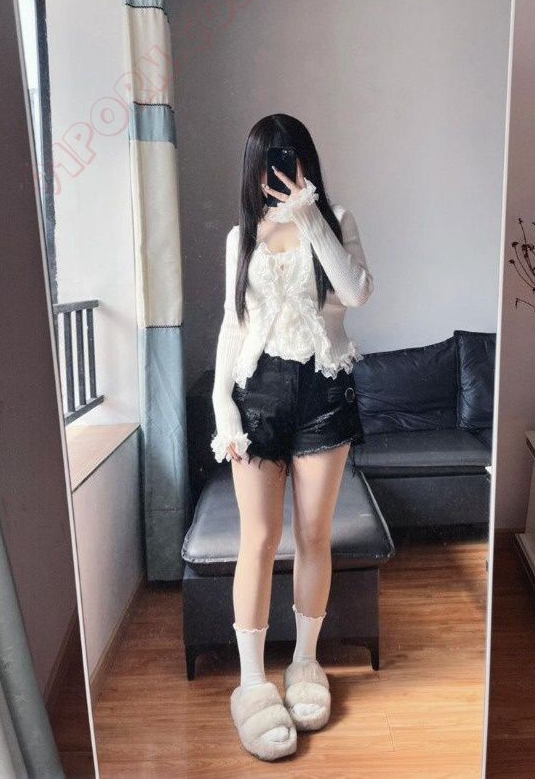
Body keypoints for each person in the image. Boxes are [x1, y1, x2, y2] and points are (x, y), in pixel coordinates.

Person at [210, 113, 374, 761]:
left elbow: (357, 293)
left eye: (288, 158)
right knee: (257, 539)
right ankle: (252, 683)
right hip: (257, 398)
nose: (276, 173)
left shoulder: (337, 218)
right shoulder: (240, 236)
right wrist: (222, 407)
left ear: (306, 161)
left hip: (323, 393)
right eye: (266, 161)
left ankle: (306, 662)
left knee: (312, 534)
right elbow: (233, 324)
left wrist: (311, 218)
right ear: (253, 169)